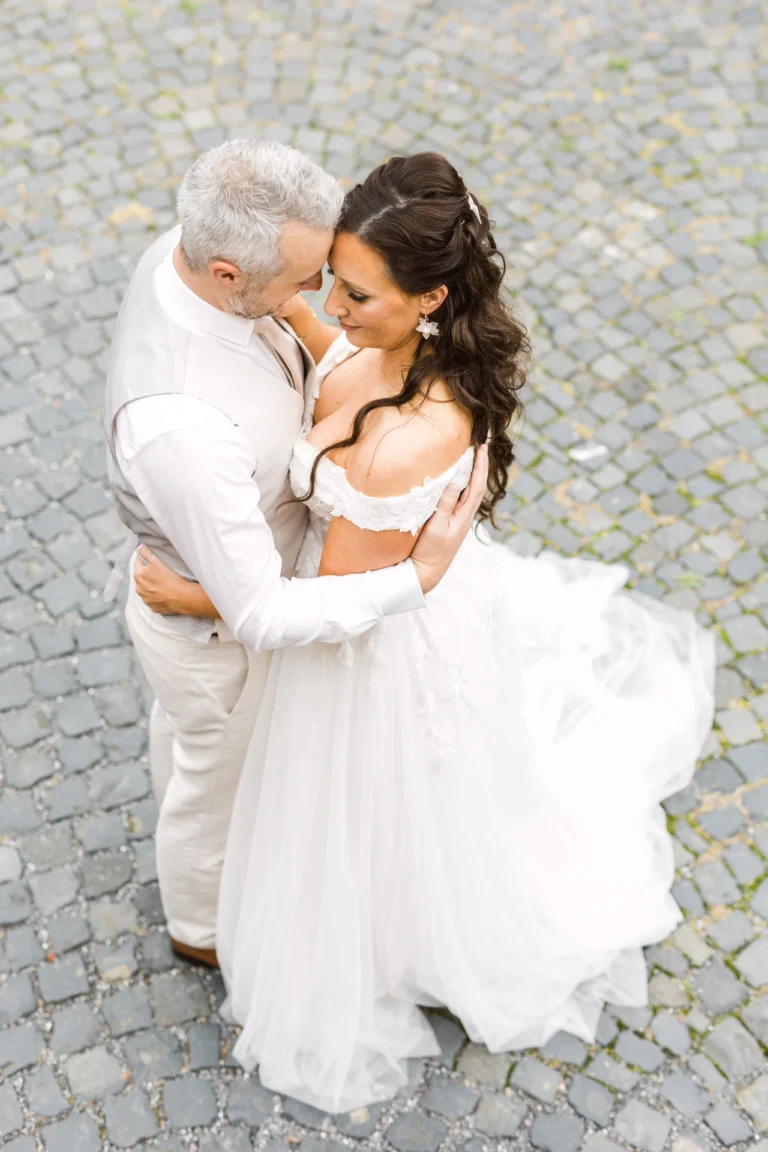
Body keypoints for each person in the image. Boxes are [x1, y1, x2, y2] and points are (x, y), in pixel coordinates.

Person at [135, 153, 715, 1112]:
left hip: (364, 645)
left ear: (430, 296)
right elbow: (341, 349)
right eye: (329, 275)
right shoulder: (393, 344)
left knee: (371, 810)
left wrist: (203, 599)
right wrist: (282, 304)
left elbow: (328, 601)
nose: (331, 299)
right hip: (388, 591)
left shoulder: (409, 439)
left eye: (355, 291)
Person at [103, 140, 488, 969]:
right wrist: (413, 577)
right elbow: (263, 613)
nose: (316, 299)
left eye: (343, 282)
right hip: (221, 639)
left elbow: (320, 343)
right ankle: (201, 930)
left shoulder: (185, 264)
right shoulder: (183, 429)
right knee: (212, 784)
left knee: (195, 751)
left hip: (248, 595)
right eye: (309, 279)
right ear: (226, 274)